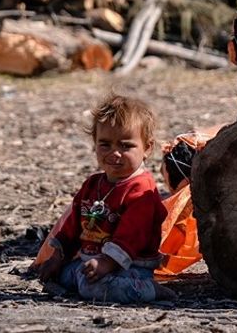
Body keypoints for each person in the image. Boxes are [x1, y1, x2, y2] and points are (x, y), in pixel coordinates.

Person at [31, 94, 175, 302]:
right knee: (64, 274)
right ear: (95, 143)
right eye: (105, 144)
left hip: (129, 266)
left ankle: (148, 289)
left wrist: (107, 262)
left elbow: (133, 234)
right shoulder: (93, 184)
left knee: (93, 287)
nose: (114, 153)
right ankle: (81, 279)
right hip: (92, 262)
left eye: (125, 146)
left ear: (147, 148)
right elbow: (72, 224)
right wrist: (58, 256)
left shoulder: (141, 189)